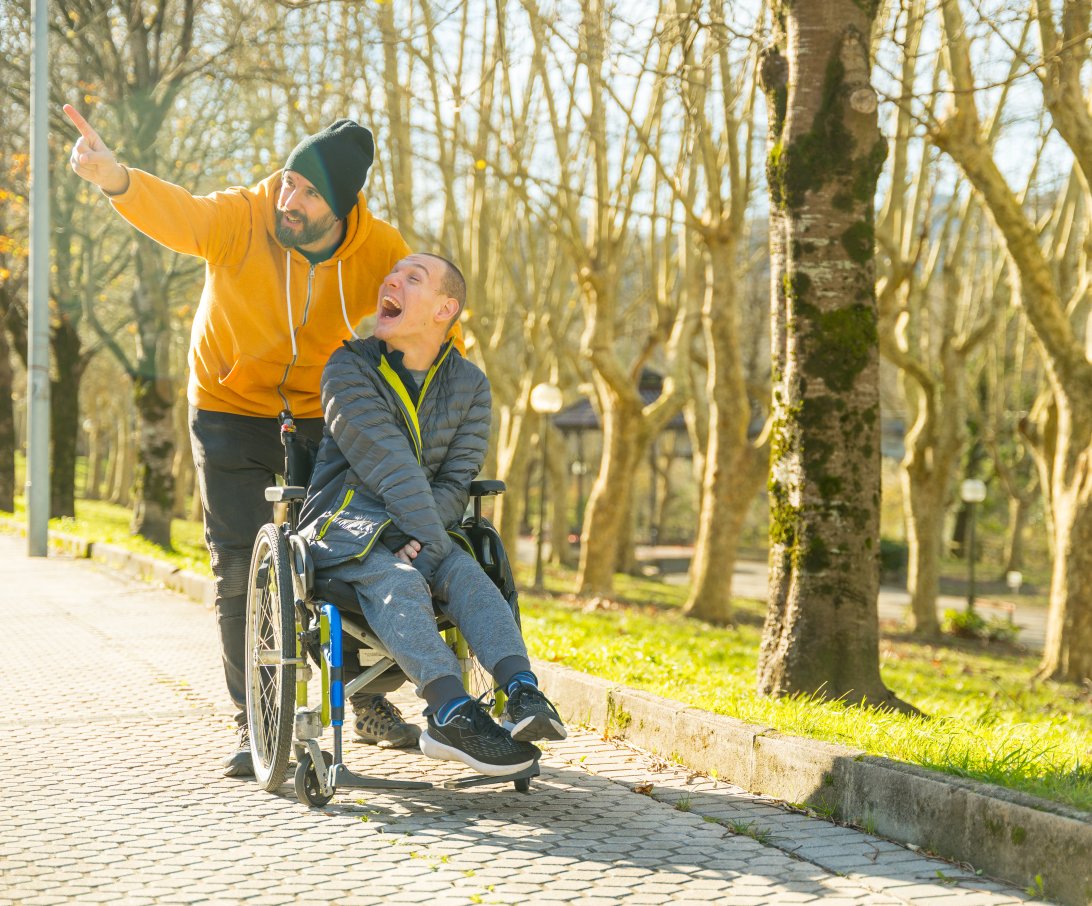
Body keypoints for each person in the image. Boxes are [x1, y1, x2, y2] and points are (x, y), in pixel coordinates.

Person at [63, 106, 435, 776]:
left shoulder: (379, 247)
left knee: (348, 550)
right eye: (288, 181)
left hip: (322, 412)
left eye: (309, 193)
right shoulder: (245, 216)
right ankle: (254, 717)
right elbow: (184, 217)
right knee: (238, 563)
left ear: (342, 207)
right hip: (227, 405)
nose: (288, 199)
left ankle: (367, 698)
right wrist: (117, 178)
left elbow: (421, 315)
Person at [299, 252, 567, 776]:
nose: (391, 279)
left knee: (469, 576)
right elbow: (391, 466)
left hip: (429, 529)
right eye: (392, 273)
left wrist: (426, 545)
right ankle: (449, 712)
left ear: (446, 309)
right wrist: (423, 549)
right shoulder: (348, 368)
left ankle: (522, 692)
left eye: (412, 278)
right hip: (347, 524)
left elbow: (455, 482)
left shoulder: (471, 385)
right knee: (400, 579)